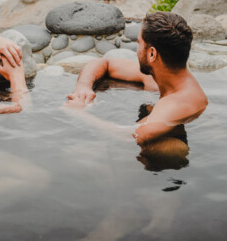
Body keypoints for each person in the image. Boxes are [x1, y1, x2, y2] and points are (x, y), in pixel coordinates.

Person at [65, 11, 208, 148]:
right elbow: (104, 63)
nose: (137, 49)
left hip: (160, 165)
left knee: (170, 149)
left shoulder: (179, 103)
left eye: (139, 43)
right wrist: (83, 87)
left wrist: (79, 114)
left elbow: (129, 135)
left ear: (152, 54)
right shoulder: (157, 76)